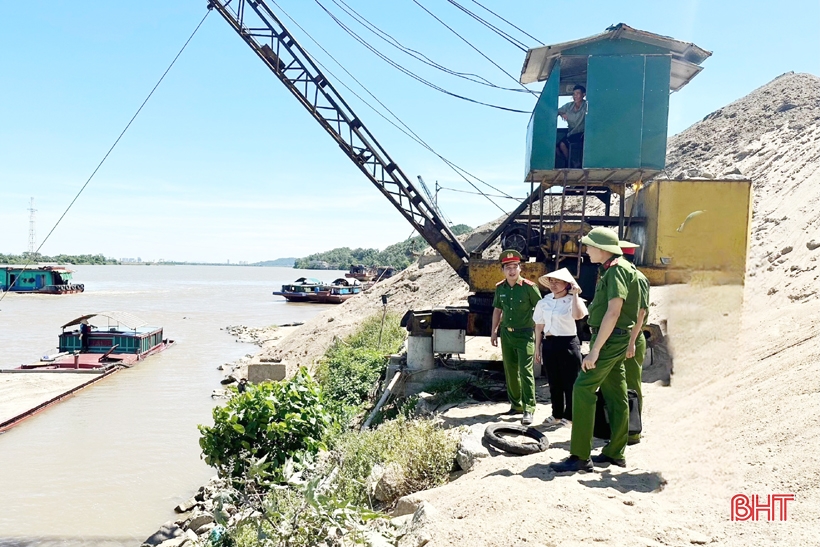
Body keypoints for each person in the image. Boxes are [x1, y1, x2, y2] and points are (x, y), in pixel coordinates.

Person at [550, 227, 640, 473]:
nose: (586, 250)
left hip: (610, 339)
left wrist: (595, 350)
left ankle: (580, 456)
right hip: (615, 338)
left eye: (589, 246)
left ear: (602, 249)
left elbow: (614, 312)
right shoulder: (615, 269)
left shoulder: (618, 271)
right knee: (615, 392)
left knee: (582, 387)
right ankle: (615, 452)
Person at [491, 249, 542, 425]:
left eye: (515, 267)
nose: (511, 271)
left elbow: (540, 309)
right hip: (507, 334)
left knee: (526, 371)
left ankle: (529, 408)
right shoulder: (500, 288)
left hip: (525, 334)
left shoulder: (529, 288)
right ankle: (516, 405)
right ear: (503, 270)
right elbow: (498, 309)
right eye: (507, 268)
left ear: (520, 268)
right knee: (510, 370)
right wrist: (494, 331)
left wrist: (540, 333)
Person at [533, 268, 588, 427]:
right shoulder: (544, 302)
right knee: (553, 381)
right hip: (549, 343)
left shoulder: (573, 300)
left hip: (568, 343)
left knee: (570, 381)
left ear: (567, 284)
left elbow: (578, 316)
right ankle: (556, 413)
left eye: (558, 281)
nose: (554, 284)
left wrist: (576, 294)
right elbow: (539, 326)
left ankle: (570, 416)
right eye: (551, 281)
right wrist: (537, 348)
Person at [619, 240, 650, 445]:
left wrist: (631, 343)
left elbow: (641, 313)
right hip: (617, 337)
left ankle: (633, 431)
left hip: (630, 337)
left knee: (631, 384)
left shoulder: (636, 278)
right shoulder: (617, 275)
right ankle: (619, 426)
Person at [556, 85, 587, 167]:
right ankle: (568, 161)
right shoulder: (568, 106)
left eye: (578, 93)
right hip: (571, 133)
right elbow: (556, 111)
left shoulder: (586, 105)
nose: (575, 96)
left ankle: (571, 163)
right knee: (556, 148)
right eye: (574, 94)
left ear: (583, 95)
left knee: (563, 144)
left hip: (582, 133)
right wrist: (562, 113)